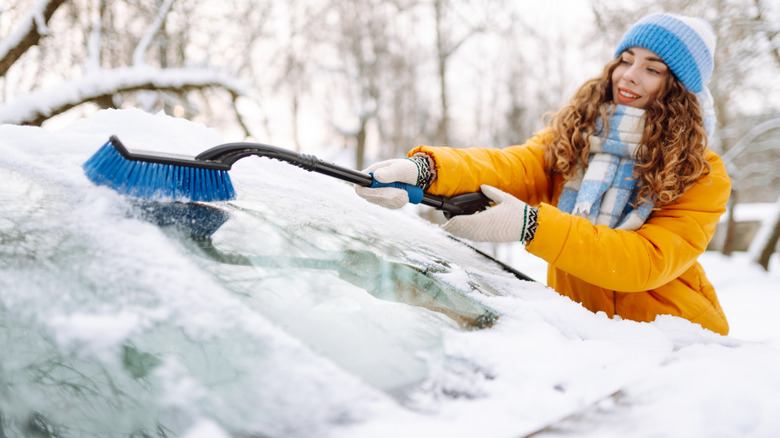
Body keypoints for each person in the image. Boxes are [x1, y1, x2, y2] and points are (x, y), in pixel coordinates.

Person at [355, 13, 731, 335]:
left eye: (652, 69)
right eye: (625, 59)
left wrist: (532, 226)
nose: (628, 76)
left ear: (680, 88)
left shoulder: (700, 172)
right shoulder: (575, 137)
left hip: (674, 342)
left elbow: (645, 262)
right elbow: (512, 166)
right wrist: (427, 170)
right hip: (586, 332)